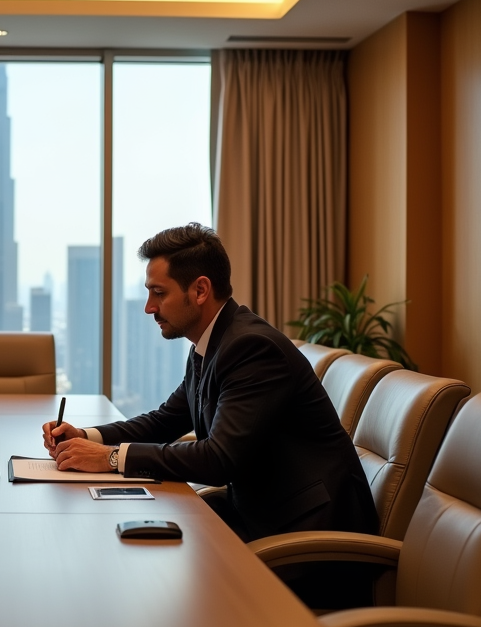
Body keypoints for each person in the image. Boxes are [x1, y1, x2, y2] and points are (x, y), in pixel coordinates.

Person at [42, 223, 377, 542]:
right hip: (261, 515)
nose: (149, 308)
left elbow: (219, 460)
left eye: (159, 293)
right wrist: (86, 437)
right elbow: (166, 420)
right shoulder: (211, 344)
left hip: (309, 537)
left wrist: (111, 458)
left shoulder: (251, 348)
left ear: (200, 290)